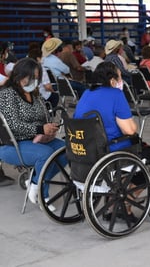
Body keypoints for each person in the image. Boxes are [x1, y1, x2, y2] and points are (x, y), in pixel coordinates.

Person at [73, 61, 139, 222]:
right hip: (109, 151)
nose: (121, 80)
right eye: (119, 77)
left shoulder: (86, 94)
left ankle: (112, 198)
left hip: (84, 150)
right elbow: (130, 130)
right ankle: (121, 207)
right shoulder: (116, 95)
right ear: (112, 80)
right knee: (148, 161)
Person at [0, 58, 66, 207]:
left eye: (37, 77)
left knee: (67, 150)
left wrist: (49, 128)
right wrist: (40, 129)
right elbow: (13, 125)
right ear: (20, 75)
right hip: (12, 144)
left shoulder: (36, 95)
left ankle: (35, 182)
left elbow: (44, 116)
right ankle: (42, 192)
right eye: (32, 77)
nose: (35, 81)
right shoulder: (7, 95)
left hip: (37, 139)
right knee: (46, 154)